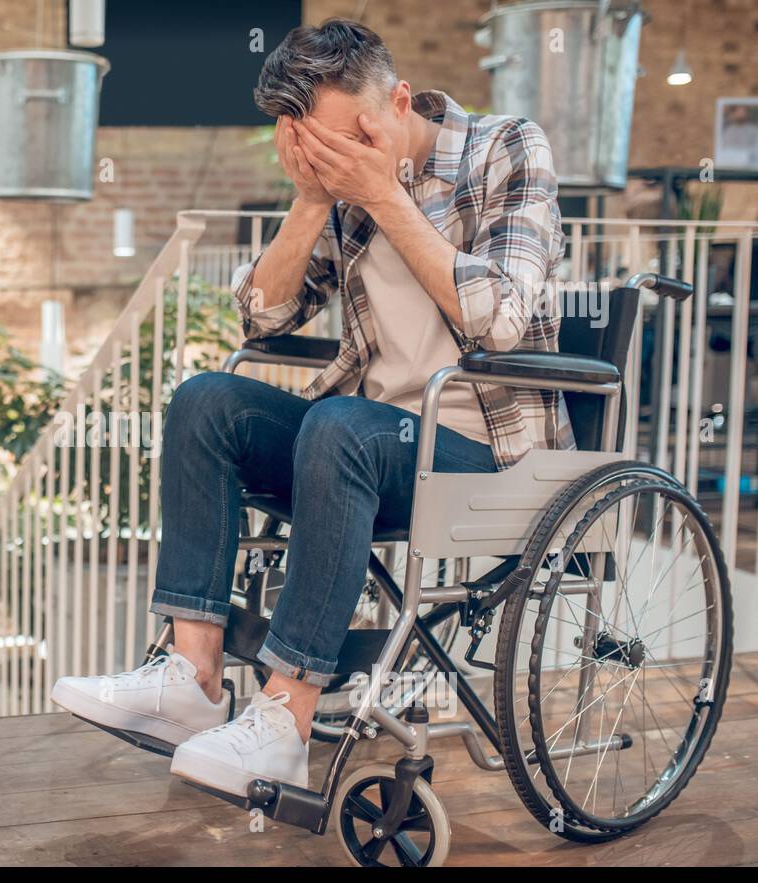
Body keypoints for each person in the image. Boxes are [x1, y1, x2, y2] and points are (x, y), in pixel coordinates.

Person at [52, 18, 573, 797]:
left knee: (340, 426)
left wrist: (382, 195)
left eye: (351, 141)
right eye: (317, 149)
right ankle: (190, 676)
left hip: (484, 450)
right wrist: (308, 200)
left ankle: (285, 722)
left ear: (399, 101)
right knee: (205, 401)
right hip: (365, 444)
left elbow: (498, 317)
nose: (341, 160)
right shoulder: (339, 182)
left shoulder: (507, 148)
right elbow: (262, 317)